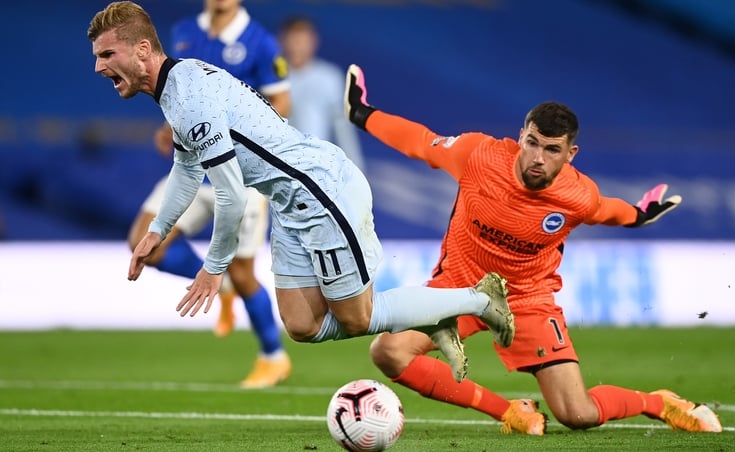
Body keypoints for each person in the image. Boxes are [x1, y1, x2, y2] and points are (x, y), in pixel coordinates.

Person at [88, 1, 516, 382]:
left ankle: (476, 299)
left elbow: (232, 196)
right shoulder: (175, 89)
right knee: (302, 325)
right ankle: (430, 317)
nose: (99, 67)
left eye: (108, 54)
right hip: (289, 199)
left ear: (143, 50)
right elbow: (185, 167)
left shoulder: (190, 95)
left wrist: (214, 266)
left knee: (357, 318)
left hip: (320, 189)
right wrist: (159, 229)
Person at [343, 64, 723, 435]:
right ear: (521, 135)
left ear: (570, 154)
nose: (539, 158)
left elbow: (608, 210)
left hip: (527, 299)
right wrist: (363, 114)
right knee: (388, 352)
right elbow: (421, 142)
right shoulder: (479, 155)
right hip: (460, 289)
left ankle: (660, 403)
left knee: (578, 414)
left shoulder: (577, 196)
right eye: (532, 143)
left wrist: (638, 215)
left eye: (552, 150)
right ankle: (509, 412)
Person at [126, 0, 292, 389]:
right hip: (191, 165)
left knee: (242, 270)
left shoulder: (261, 42)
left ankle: (273, 356)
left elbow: (281, 103)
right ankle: (223, 287)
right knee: (145, 242)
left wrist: (231, 129)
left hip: (240, 172)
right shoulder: (184, 32)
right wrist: (176, 127)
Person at [278, 15, 365, 171]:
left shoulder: (330, 77)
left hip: (318, 167)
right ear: (282, 40)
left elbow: (342, 127)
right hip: (276, 165)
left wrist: (355, 169)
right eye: (294, 39)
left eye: (303, 40)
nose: (298, 46)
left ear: (314, 42)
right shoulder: (270, 77)